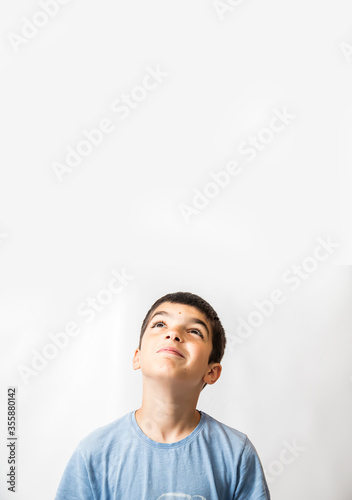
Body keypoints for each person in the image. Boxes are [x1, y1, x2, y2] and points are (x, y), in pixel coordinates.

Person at [55, 291, 270, 499]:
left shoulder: (236, 454)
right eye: (160, 325)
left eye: (194, 331)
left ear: (211, 372)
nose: (173, 334)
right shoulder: (94, 453)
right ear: (137, 357)